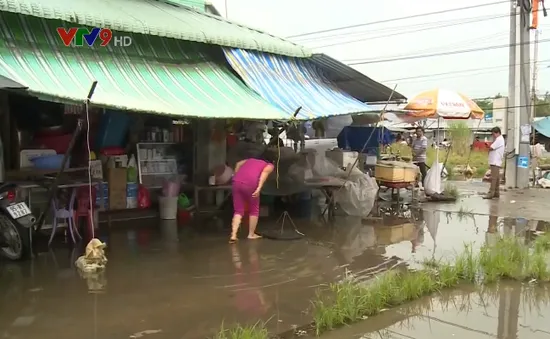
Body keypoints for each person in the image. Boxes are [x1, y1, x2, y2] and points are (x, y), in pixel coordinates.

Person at [229, 151, 275, 243]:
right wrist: (259, 188)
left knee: (238, 210)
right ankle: (251, 234)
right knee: (254, 209)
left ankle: (233, 235)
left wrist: (236, 175)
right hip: (251, 185)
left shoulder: (250, 160)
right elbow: (264, 174)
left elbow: (238, 164)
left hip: (236, 182)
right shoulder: (269, 165)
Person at [484, 127, 505, 199]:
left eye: (493, 134)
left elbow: (491, 147)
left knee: (493, 178)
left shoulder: (499, 139)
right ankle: (496, 192)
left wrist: (487, 145)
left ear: (497, 133)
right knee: (496, 178)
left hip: (495, 161)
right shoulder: (499, 139)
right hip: (496, 161)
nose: (493, 136)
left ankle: (491, 193)